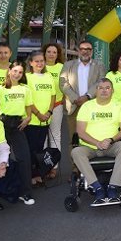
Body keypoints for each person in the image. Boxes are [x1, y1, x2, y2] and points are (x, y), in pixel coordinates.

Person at [72, 78, 121, 206]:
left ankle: (113, 187)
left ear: (112, 90)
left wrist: (111, 140)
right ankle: (97, 187)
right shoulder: (87, 106)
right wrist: (97, 143)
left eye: (107, 88)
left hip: (111, 145)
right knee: (76, 152)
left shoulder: (118, 105)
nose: (104, 91)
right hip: (90, 147)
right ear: (96, 91)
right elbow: (80, 132)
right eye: (101, 88)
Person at [0, 61, 35, 205]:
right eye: (15, 71)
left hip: (18, 125)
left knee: (24, 158)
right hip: (2, 125)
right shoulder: (0, 89)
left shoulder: (25, 89)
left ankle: (26, 193)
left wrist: (28, 118)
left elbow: (29, 108)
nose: (17, 74)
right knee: (0, 158)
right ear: (9, 70)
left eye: (20, 72)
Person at [60, 40, 105, 147]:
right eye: (83, 49)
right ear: (79, 51)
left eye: (88, 49)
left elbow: (101, 82)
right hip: (74, 106)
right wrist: (75, 98)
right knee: (74, 140)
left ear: (92, 51)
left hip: (92, 106)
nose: (85, 51)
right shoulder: (68, 65)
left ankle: (88, 163)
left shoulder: (99, 65)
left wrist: (87, 96)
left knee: (92, 138)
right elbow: (63, 83)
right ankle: (74, 164)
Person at [25, 51, 56, 186]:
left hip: (46, 119)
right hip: (32, 120)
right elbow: (27, 100)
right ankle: (30, 176)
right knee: (31, 150)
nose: (39, 63)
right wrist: (38, 114)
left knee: (39, 149)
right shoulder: (27, 77)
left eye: (41, 61)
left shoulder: (48, 76)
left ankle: (38, 174)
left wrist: (49, 112)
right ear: (31, 63)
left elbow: (53, 96)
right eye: (36, 61)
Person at [43, 42, 65, 179]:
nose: (51, 54)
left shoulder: (62, 68)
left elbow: (66, 86)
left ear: (58, 55)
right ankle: (44, 166)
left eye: (54, 52)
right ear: (44, 53)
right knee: (42, 139)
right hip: (40, 109)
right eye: (49, 52)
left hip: (56, 106)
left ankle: (54, 167)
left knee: (55, 136)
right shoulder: (39, 66)